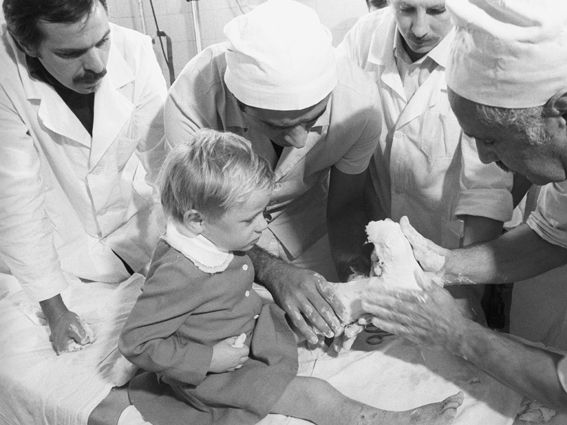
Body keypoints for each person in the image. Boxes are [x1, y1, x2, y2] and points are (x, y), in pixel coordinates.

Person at [362, 0, 567, 422]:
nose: (485, 158)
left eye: (491, 139)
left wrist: (456, 334)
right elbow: (552, 235)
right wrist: (448, 264)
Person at [119, 129, 464, 425]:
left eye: (262, 213)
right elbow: (136, 342)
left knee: (318, 314)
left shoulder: (217, 238)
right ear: (196, 220)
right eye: (249, 220)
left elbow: (229, 295)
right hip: (218, 374)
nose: (262, 225)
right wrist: (209, 359)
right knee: (313, 394)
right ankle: (391, 420)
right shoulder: (178, 272)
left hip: (250, 327)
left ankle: (366, 298)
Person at [164, 0, 382, 344]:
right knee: (230, 338)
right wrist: (271, 270)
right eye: (277, 126)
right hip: (214, 236)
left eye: (313, 120)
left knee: (316, 331)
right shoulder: (194, 98)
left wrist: (355, 279)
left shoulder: (360, 105)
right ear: (239, 104)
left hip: (303, 226)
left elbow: (345, 207)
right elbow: (196, 219)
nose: (299, 140)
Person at [0, 0, 167, 354]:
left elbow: (165, 162)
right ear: (28, 44)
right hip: (60, 248)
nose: (98, 66)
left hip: (136, 228)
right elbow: (15, 200)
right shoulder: (5, 78)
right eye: (70, 53)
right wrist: (56, 311)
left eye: (102, 41)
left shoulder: (134, 51)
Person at [338, 0, 512, 318]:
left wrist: (466, 294)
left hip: (453, 248)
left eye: (435, 10)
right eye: (406, 9)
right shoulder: (364, 37)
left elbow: (485, 193)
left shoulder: (485, 54)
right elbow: (340, 146)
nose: (418, 29)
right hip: (375, 245)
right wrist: (356, 269)